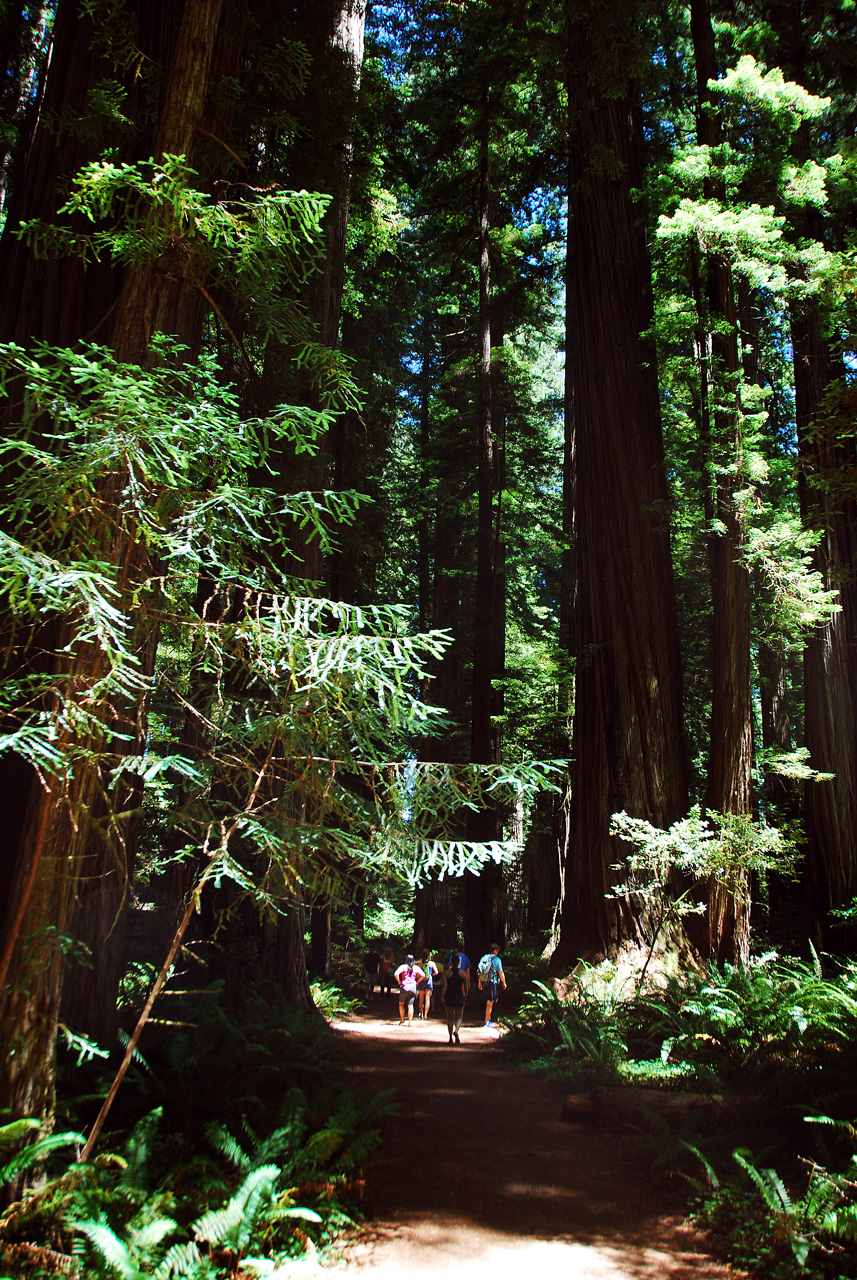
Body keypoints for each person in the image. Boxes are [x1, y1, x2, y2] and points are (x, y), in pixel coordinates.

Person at [477, 943, 506, 1027]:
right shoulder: (497, 960)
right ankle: (486, 1021)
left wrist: (479, 982)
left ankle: (488, 1019)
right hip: (492, 982)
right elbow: (500, 972)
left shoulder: (484, 958)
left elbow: (480, 970)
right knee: (490, 1001)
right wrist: (504, 982)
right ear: (495, 950)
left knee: (489, 1000)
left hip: (484, 981)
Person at [442, 953, 467, 1045]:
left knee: (450, 1018)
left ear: (451, 962)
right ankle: (456, 1030)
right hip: (459, 996)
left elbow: (444, 986)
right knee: (459, 1016)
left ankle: (450, 1038)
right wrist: (466, 995)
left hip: (449, 995)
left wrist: (442, 996)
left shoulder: (447, 973)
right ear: (459, 962)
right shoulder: (463, 973)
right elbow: (466, 987)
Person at [394, 954, 425, 1025]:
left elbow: (396, 974)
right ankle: (410, 1022)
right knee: (410, 1004)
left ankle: (402, 1019)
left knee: (401, 1003)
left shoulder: (403, 967)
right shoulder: (416, 968)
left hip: (405, 986)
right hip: (413, 987)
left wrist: (399, 981)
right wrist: (417, 981)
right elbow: (423, 975)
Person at [416, 949, 439, 1019]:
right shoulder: (432, 963)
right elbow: (437, 972)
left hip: (421, 981)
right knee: (427, 999)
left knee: (421, 999)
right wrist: (432, 974)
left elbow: (417, 972)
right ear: (429, 956)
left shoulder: (420, 963)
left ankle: (421, 1013)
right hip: (429, 981)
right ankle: (426, 1015)